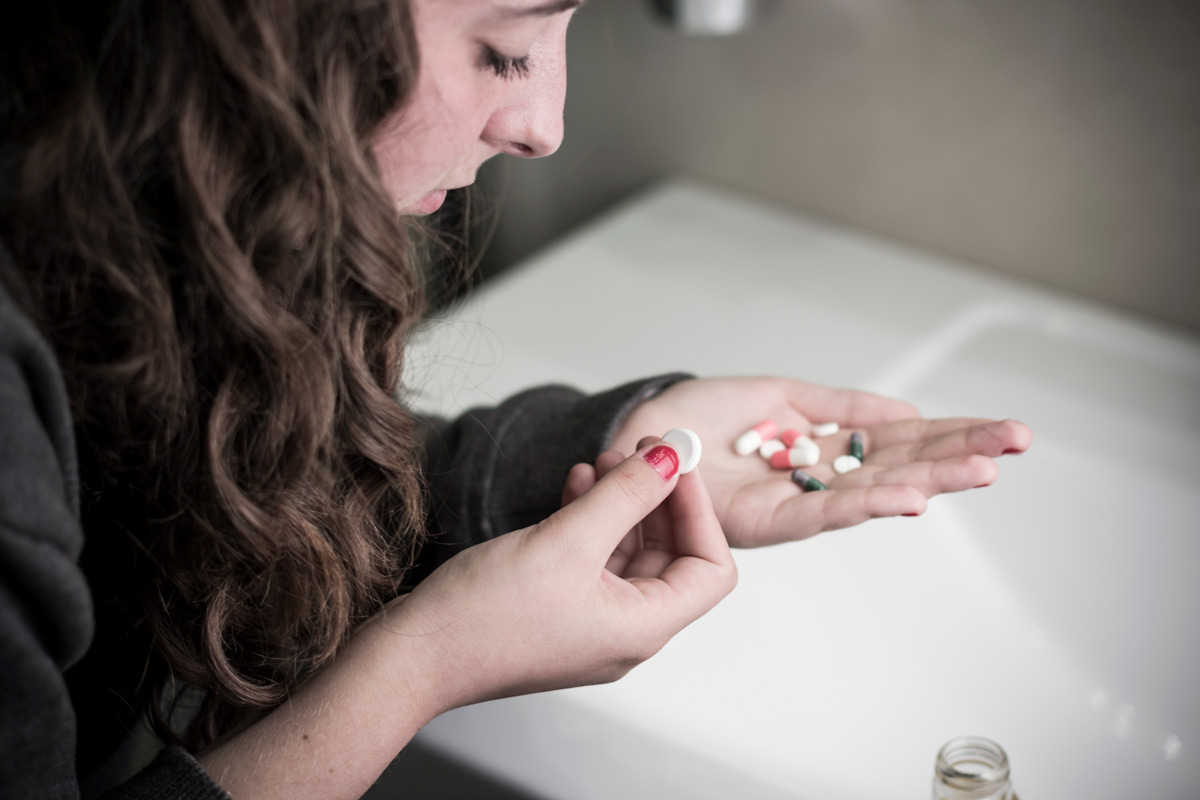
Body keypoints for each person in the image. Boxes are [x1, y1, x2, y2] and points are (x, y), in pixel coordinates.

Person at [0, 0, 1032, 797]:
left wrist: (610, 443)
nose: (546, 124)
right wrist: (423, 661)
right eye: (502, 50)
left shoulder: (109, 218)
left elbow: (273, 488)